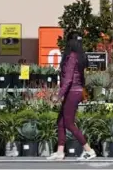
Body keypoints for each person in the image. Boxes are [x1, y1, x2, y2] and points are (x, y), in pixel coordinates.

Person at [47, 32, 96, 161]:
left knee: (68, 122)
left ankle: (89, 150)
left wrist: (58, 96)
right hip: (76, 90)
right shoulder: (80, 56)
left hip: (72, 91)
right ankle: (60, 152)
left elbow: (68, 79)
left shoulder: (71, 57)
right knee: (61, 121)